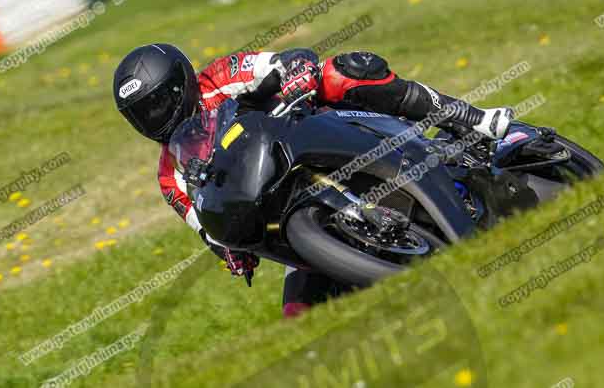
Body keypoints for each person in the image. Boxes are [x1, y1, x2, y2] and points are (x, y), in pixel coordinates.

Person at [113, 44, 514, 317]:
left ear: (182, 83)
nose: (156, 118)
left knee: (344, 70)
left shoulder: (221, 77)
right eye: (142, 114)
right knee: (296, 320)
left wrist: (295, 78)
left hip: (314, 131)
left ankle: (469, 119)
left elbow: (287, 60)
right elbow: (205, 226)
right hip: (283, 208)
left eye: (160, 102)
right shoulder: (171, 175)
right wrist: (231, 252)